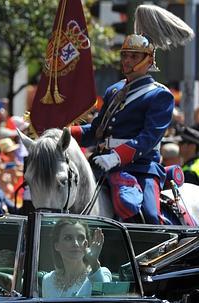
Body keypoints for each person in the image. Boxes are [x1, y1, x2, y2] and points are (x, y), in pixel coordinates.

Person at [69, 35, 174, 224]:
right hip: (102, 164)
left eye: (134, 56)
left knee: (150, 216)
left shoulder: (160, 94)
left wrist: (116, 156)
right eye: (125, 55)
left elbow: (149, 138)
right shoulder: (114, 90)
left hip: (140, 167)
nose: (127, 60)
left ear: (148, 60)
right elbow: (96, 132)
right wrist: (65, 132)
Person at [42, 219, 112, 298]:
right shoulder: (48, 280)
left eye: (81, 238)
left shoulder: (101, 272)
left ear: (87, 244)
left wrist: (94, 263)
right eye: (68, 238)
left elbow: (106, 300)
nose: (76, 244)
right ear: (57, 246)